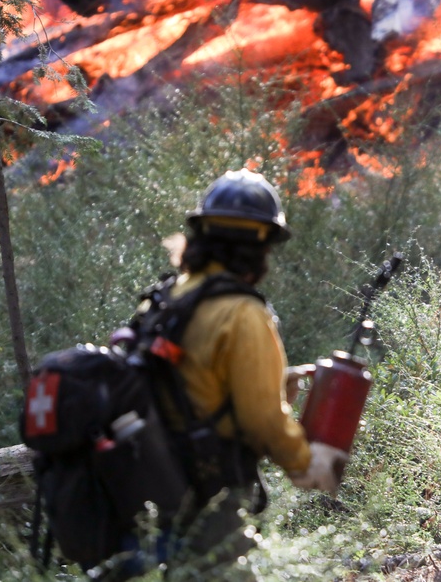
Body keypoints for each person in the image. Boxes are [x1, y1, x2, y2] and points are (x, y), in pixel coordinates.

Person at [102, 169, 346, 580]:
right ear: (263, 246)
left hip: (147, 478)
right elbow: (262, 419)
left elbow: (183, 381)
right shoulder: (243, 313)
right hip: (206, 490)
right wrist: (306, 462)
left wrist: (270, 383)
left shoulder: (168, 296)